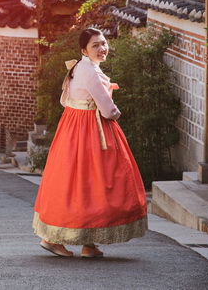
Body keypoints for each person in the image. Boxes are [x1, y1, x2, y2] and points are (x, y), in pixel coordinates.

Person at [33, 27, 147, 258]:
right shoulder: (91, 72)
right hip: (92, 131)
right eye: (96, 45)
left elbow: (66, 100)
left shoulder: (79, 68)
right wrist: (114, 114)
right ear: (84, 49)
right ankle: (64, 241)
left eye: (104, 43)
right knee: (97, 181)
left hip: (72, 129)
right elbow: (107, 109)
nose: (102, 48)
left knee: (75, 182)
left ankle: (85, 244)